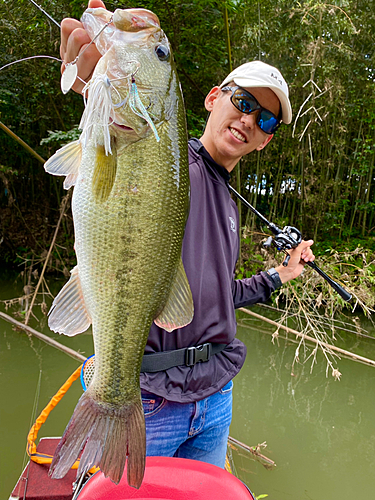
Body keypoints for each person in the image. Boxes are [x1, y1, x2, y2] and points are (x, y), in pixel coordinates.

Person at [60, 0, 315, 470]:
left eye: (266, 119)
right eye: (243, 102)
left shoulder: (228, 199)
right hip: (150, 400)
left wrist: (280, 275)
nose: (248, 119)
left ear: (266, 138)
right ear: (213, 97)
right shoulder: (173, 162)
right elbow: (126, 137)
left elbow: (214, 295)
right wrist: (93, 86)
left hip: (215, 399)